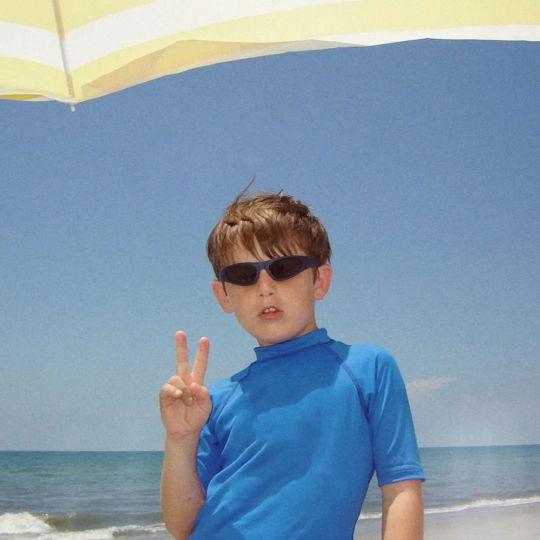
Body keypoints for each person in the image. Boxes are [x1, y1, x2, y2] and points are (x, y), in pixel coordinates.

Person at [159, 188, 426, 540]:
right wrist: (180, 439)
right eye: (243, 274)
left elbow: (401, 489)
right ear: (224, 294)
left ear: (319, 281)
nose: (265, 287)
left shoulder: (367, 369)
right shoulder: (214, 400)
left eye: (283, 268)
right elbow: (182, 525)